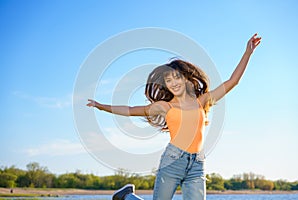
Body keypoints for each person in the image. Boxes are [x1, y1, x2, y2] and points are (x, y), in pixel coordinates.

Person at [87, 34, 261, 200]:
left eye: (176, 77)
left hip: (197, 164)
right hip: (173, 161)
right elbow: (131, 110)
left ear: (185, 78)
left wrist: (248, 53)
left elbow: (232, 81)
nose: (173, 83)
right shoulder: (165, 107)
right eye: (168, 81)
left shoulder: (202, 101)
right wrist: (102, 107)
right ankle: (127, 196)